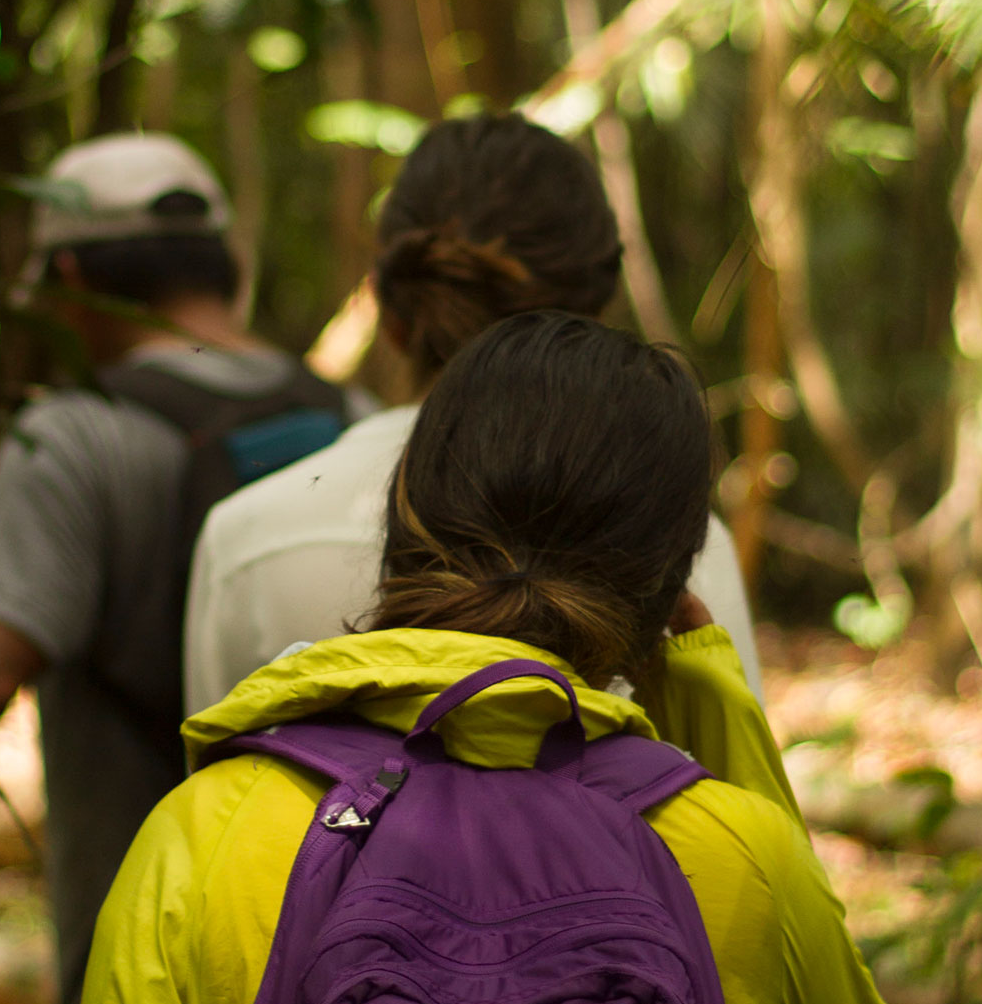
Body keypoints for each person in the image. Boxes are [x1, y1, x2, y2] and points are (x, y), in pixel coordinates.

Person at [77, 311, 913, 1004]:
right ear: (671, 589)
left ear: (404, 516)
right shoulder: (739, 855)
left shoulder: (206, 831)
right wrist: (713, 701)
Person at [0, 132, 350, 1004]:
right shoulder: (352, 418)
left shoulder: (72, 441)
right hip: (344, 931)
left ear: (68, 278)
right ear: (226, 266)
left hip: (149, 962)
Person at [183, 114, 764, 735]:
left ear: (391, 311)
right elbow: (728, 787)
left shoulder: (248, 538)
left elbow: (218, 793)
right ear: (593, 318)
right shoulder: (682, 544)